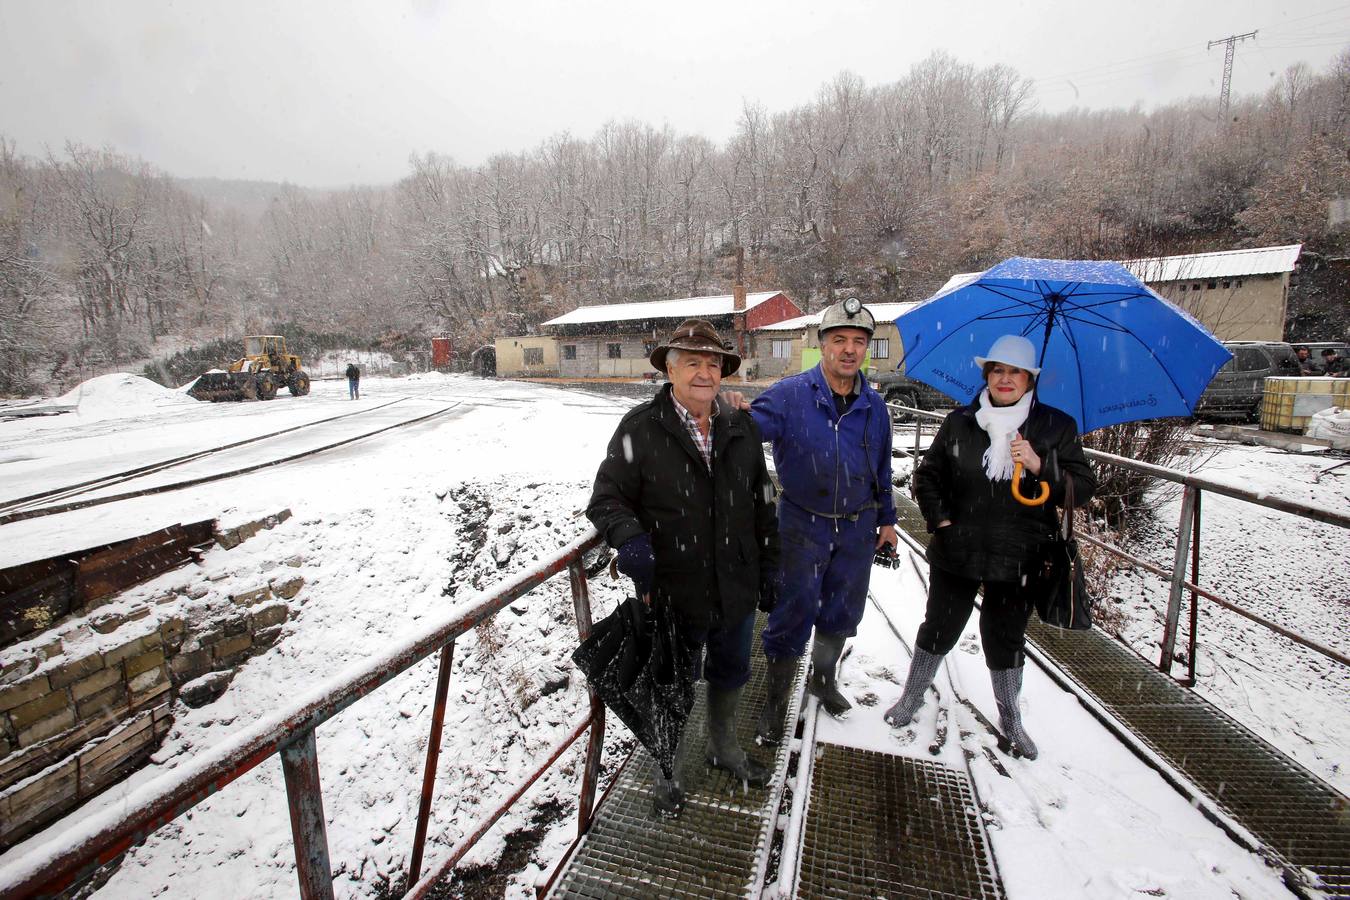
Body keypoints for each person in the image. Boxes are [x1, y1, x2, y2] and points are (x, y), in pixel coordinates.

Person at [586, 319, 780, 817]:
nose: (703, 372)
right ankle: (665, 770)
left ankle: (723, 747)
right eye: (691, 362)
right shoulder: (641, 428)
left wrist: (771, 564)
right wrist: (628, 538)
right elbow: (607, 498)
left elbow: (763, 502)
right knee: (671, 681)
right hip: (674, 588)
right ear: (669, 369)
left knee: (732, 669)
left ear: (724, 372)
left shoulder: (741, 426)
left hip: (735, 581)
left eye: (712, 363)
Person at [883, 334, 1095, 760]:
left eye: (1014, 371)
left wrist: (1041, 465)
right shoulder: (961, 421)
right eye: (997, 370)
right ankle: (912, 695)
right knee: (939, 627)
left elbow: (1082, 489)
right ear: (987, 375)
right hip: (958, 550)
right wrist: (941, 520)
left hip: (1021, 556)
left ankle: (1011, 717)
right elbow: (928, 476)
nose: (1004, 379)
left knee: (1005, 638)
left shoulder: (1055, 427)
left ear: (1030, 379)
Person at [746, 298, 898, 744]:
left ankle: (824, 679)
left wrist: (887, 520)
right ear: (822, 345)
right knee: (792, 613)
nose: (849, 350)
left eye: (858, 342)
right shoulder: (789, 395)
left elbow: (883, 468)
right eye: (839, 340)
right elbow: (743, 434)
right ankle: (776, 703)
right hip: (800, 525)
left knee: (841, 612)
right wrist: (728, 413)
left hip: (856, 527)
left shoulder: (874, 406)